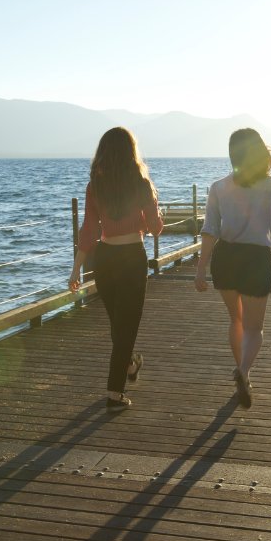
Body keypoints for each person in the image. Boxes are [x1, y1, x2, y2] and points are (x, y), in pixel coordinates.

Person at [69, 127, 163, 410]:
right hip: (132, 256)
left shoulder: (94, 186)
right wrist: (155, 215)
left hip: (105, 258)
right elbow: (156, 228)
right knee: (126, 326)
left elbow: (89, 231)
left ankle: (131, 362)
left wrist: (76, 270)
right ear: (131, 151)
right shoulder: (141, 184)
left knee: (119, 325)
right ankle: (114, 393)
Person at [194, 128, 271, 408]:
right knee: (254, 327)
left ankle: (242, 375)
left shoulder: (219, 187)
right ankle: (244, 371)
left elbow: (209, 230)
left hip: (226, 258)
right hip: (256, 258)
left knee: (236, 321)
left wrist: (200, 269)